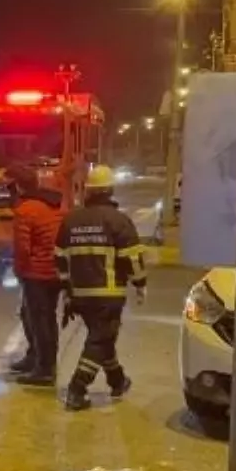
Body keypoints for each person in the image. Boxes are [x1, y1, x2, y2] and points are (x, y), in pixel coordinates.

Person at [54, 165, 147, 411]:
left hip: (80, 295)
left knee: (102, 337)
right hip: (109, 294)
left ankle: (117, 380)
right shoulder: (118, 221)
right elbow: (133, 259)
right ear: (111, 190)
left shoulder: (71, 220)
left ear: (88, 191)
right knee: (99, 340)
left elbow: (60, 258)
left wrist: (66, 290)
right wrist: (140, 284)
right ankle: (77, 389)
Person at [6, 165, 66, 386]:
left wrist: (20, 270)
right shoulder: (53, 203)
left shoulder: (26, 209)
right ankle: (36, 357)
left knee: (40, 320)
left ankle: (45, 368)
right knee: (35, 316)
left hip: (38, 273)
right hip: (56, 270)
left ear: (19, 186)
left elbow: (23, 247)